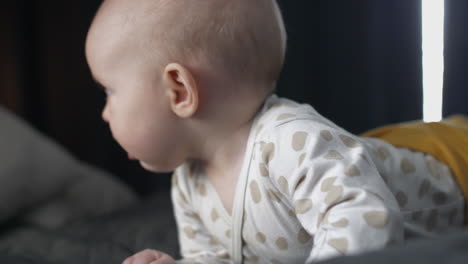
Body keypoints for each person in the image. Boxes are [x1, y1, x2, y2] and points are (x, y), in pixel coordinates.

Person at [84, 0, 468, 263]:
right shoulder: (189, 181)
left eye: (109, 92)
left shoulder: (291, 142)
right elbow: (215, 257)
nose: (103, 113)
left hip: (453, 167)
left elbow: (364, 220)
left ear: (179, 91)